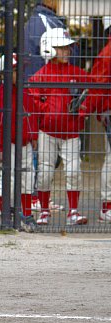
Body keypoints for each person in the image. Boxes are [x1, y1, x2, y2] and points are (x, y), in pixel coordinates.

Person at [28, 27, 90, 226]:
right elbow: (33, 104)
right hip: (47, 133)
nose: (67, 51)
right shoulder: (40, 76)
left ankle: (73, 212)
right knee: (45, 173)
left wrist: (83, 111)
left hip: (71, 132)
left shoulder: (77, 73)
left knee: (74, 171)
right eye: (62, 48)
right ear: (50, 49)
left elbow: (92, 92)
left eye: (67, 48)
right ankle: (44, 211)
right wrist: (45, 112)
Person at [0, 52, 39, 231]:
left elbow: (32, 115)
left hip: (25, 143)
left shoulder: (25, 91)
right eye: (15, 71)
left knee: (28, 177)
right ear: (4, 74)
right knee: (8, 178)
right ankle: (5, 213)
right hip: (8, 145)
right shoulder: (1, 95)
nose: (19, 74)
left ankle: (26, 214)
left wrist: (34, 135)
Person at [79, 18, 111, 223]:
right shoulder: (107, 54)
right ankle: (107, 205)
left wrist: (87, 110)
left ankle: (108, 205)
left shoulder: (106, 53)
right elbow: (98, 87)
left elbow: (97, 86)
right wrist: (87, 109)